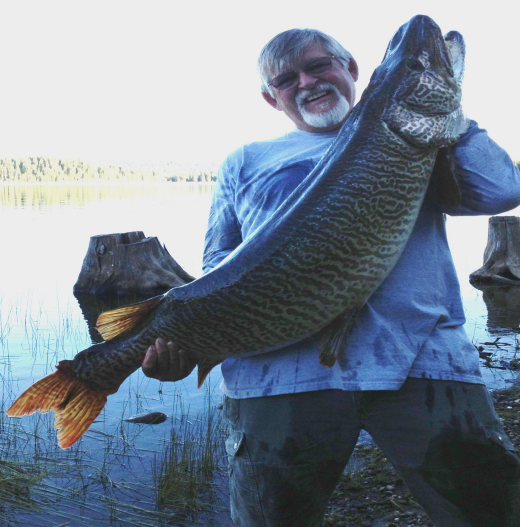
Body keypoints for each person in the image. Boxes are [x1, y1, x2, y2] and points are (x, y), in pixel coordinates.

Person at [142, 28, 520, 527]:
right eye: (286, 78)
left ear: (352, 70)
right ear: (269, 97)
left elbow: (500, 192)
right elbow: (219, 264)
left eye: (320, 66)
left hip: (421, 360)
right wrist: (189, 346)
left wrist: (452, 120)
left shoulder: (418, 139)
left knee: (491, 512)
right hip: (277, 377)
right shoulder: (247, 160)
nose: (308, 82)